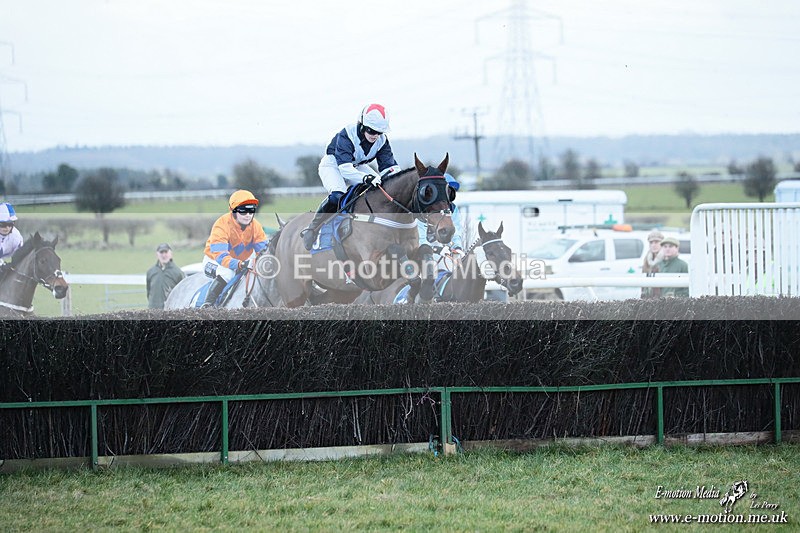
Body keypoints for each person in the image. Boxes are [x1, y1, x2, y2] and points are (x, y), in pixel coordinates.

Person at [301, 103, 401, 251]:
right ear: (361, 125)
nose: (374, 135)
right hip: (334, 164)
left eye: (379, 132)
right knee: (337, 195)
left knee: (380, 189)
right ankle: (313, 228)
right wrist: (366, 178)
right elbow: (345, 169)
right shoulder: (347, 134)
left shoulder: (382, 141)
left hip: (357, 165)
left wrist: (398, 179)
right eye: (371, 130)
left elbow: (389, 167)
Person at [201, 190, 269, 307]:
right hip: (215, 261)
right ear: (234, 211)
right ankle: (207, 306)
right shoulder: (221, 224)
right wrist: (240, 264)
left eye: (251, 210)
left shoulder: (255, 226)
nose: (248, 215)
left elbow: (264, 251)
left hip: (240, 262)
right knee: (227, 273)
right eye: (243, 210)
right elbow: (220, 256)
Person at [146, 243, 185, 309]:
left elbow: (182, 294)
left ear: (171, 254)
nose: (164, 255)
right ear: (157, 255)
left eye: (166, 252)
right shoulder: (151, 272)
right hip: (153, 311)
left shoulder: (178, 272)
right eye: (161, 252)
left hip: (171, 310)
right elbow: (148, 292)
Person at [0, 202, 23, 273]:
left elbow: (20, 256)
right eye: (3, 224)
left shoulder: (16, 237)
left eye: (10, 224)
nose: (7, 228)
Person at [641, 229, 664, 298]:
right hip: (649, 296)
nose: (653, 245)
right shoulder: (647, 259)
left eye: (656, 242)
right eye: (651, 242)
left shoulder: (665, 258)